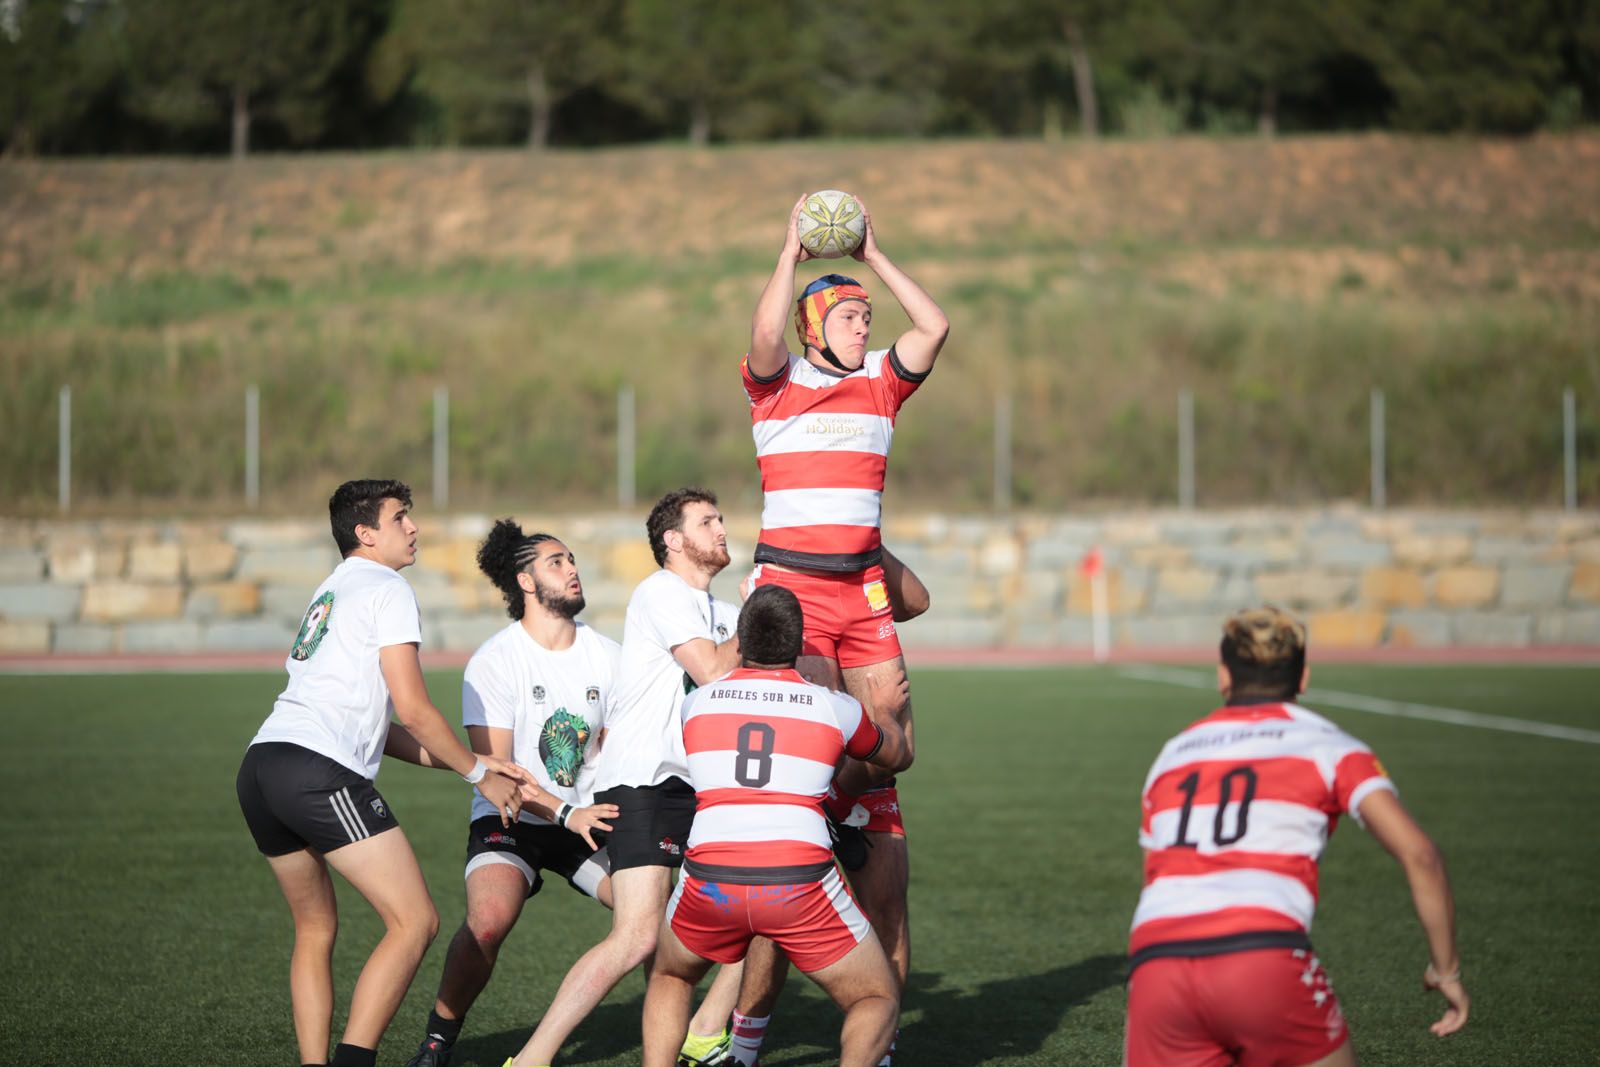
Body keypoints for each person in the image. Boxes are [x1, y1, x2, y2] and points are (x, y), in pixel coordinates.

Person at [731, 195, 949, 1064]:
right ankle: (749, 1022)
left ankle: (854, 819)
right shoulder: (776, 386)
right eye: (852, 313)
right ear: (817, 323)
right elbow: (762, 333)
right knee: (806, 745)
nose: (867, 324)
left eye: (868, 314)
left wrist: (876, 253)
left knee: (891, 738)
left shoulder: (882, 386)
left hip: (861, 593)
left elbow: (935, 323)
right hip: (790, 592)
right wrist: (790, 248)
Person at [235, 479, 534, 1067]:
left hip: (262, 766)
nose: (413, 527)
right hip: (316, 773)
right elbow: (415, 709)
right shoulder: (387, 586)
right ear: (366, 534)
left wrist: (468, 766)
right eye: (401, 518)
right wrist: (480, 775)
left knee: (316, 930)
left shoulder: (332, 588)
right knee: (414, 921)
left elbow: (381, 728)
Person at [1124, 606, 1470, 1067]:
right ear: (1303, 678)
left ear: (1223, 676)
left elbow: (1156, 872)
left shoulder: (1173, 753)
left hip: (1156, 963)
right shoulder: (1331, 746)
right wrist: (1445, 969)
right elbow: (1420, 854)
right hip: (1260, 954)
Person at [505, 487, 746, 1067]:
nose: (720, 528)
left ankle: (707, 1031)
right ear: (673, 540)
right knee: (637, 936)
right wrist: (763, 617)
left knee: (754, 913)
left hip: (700, 788)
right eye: (707, 521)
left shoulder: (726, 613)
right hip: (646, 783)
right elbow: (712, 669)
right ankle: (531, 1059)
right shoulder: (662, 592)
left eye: (720, 519)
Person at [641, 584, 913, 1067]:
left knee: (672, 976)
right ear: (799, 642)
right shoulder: (834, 707)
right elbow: (896, 756)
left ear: (740, 641)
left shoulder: (698, 704)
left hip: (711, 879)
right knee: (875, 997)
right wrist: (887, 711)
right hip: (796, 883)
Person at [401, 520, 623, 1067]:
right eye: (556, 562)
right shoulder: (495, 661)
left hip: (586, 822)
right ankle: (437, 1041)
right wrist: (565, 811)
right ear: (525, 581)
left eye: (571, 559)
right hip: (514, 818)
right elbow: (498, 774)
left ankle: (688, 1036)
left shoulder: (611, 656)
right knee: (489, 921)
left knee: (655, 920)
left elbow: (620, 752)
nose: (572, 568)